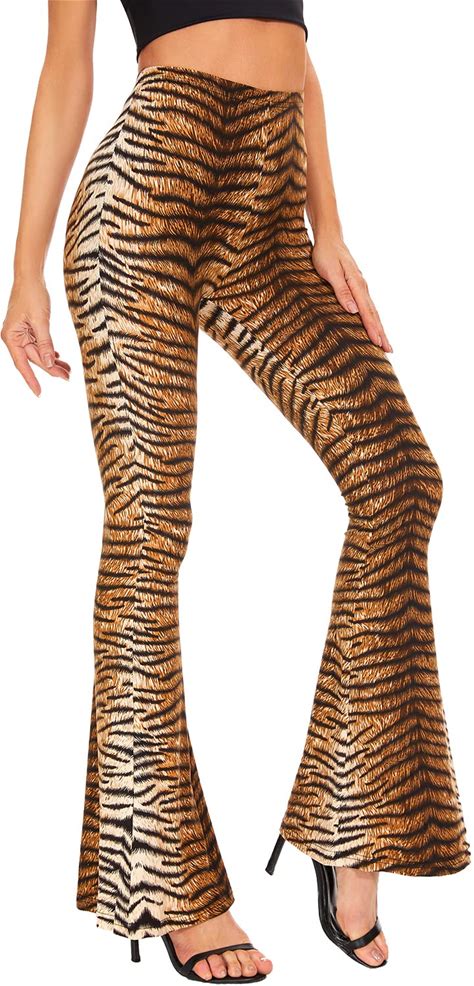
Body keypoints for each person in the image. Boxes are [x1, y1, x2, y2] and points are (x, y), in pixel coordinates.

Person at [1, 1, 471, 982]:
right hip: (145, 196)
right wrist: (24, 271)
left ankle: (353, 817)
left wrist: (328, 227)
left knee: (399, 479)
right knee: (150, 523)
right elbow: (67, 66)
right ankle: (170, 884)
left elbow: (299, 54)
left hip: (265, 197)